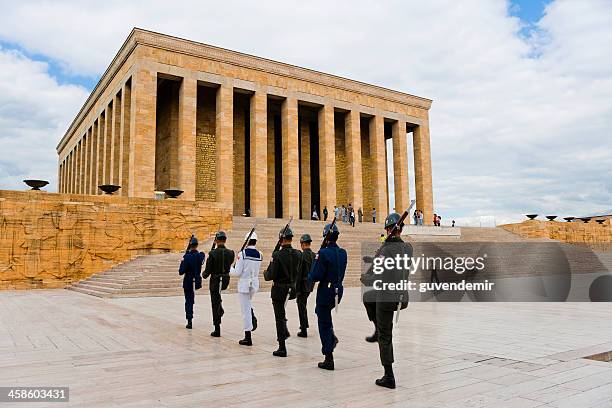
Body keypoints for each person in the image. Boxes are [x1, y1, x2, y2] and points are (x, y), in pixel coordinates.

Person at [361, 212, 412, 389]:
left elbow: (378, 275)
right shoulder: (408, 248)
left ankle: (388, 375)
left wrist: (365, 278)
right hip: (401, 296)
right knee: (368, 298)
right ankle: (376, 326)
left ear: (389, 230)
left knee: (385, 336)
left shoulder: (386, 249)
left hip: (386, 297)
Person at [308, 223, 347, 370]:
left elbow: (316, 275)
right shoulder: (343, 253)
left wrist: (310, 274)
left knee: (323, 322)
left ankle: (328, 357)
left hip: (326, 291)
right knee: (324, 316)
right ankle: (331, 339)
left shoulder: (323, 253)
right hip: (338, 290)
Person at [264, 227, 301, 357]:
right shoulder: (298, 253)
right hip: (292, 289)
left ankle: (282, 347)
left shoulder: (277, 255)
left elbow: (270, 275)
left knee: (279, 317)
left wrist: (265, 272)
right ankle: (284, 332)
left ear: (281, 240)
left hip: (279, 290)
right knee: (282, 315)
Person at [229, 231, 262, 346]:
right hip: (254, 284)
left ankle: (248, 337)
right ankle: (251, 313)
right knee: (248, 306)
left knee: (245, 311)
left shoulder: (242, 254)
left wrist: (230, 269)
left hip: (244, 285)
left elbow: (237, 272)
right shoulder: (260, 254)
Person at [202, 231, 234, 337]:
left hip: (215, 281)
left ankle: (217, 328)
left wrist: (204, 274)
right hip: (225, 280)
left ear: (216, 241)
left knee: (215, 303)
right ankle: (220, 308)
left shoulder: (213, 254)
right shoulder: (231, 253)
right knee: (217, 299)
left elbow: (208, 271)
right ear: (225, 240)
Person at [178, 236, 205, 329]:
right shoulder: (200, 255)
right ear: (197, 245)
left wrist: (183, 260)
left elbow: (181, 271)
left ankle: (189, 321)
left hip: (188, 282)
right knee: (191, 300)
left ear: (190, 245)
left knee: (188, 301)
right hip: (196, 281)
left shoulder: (187, 257)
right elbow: (202, 258)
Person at [297, 234, 315, 337]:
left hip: (302, 285)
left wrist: (296, 287)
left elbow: (299, 272)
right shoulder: (313, 255)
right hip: (310, 285)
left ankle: (303, 329)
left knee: (301, 306)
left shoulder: (302, 255)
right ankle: (304, 325)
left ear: (303, 244)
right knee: (303, 305)